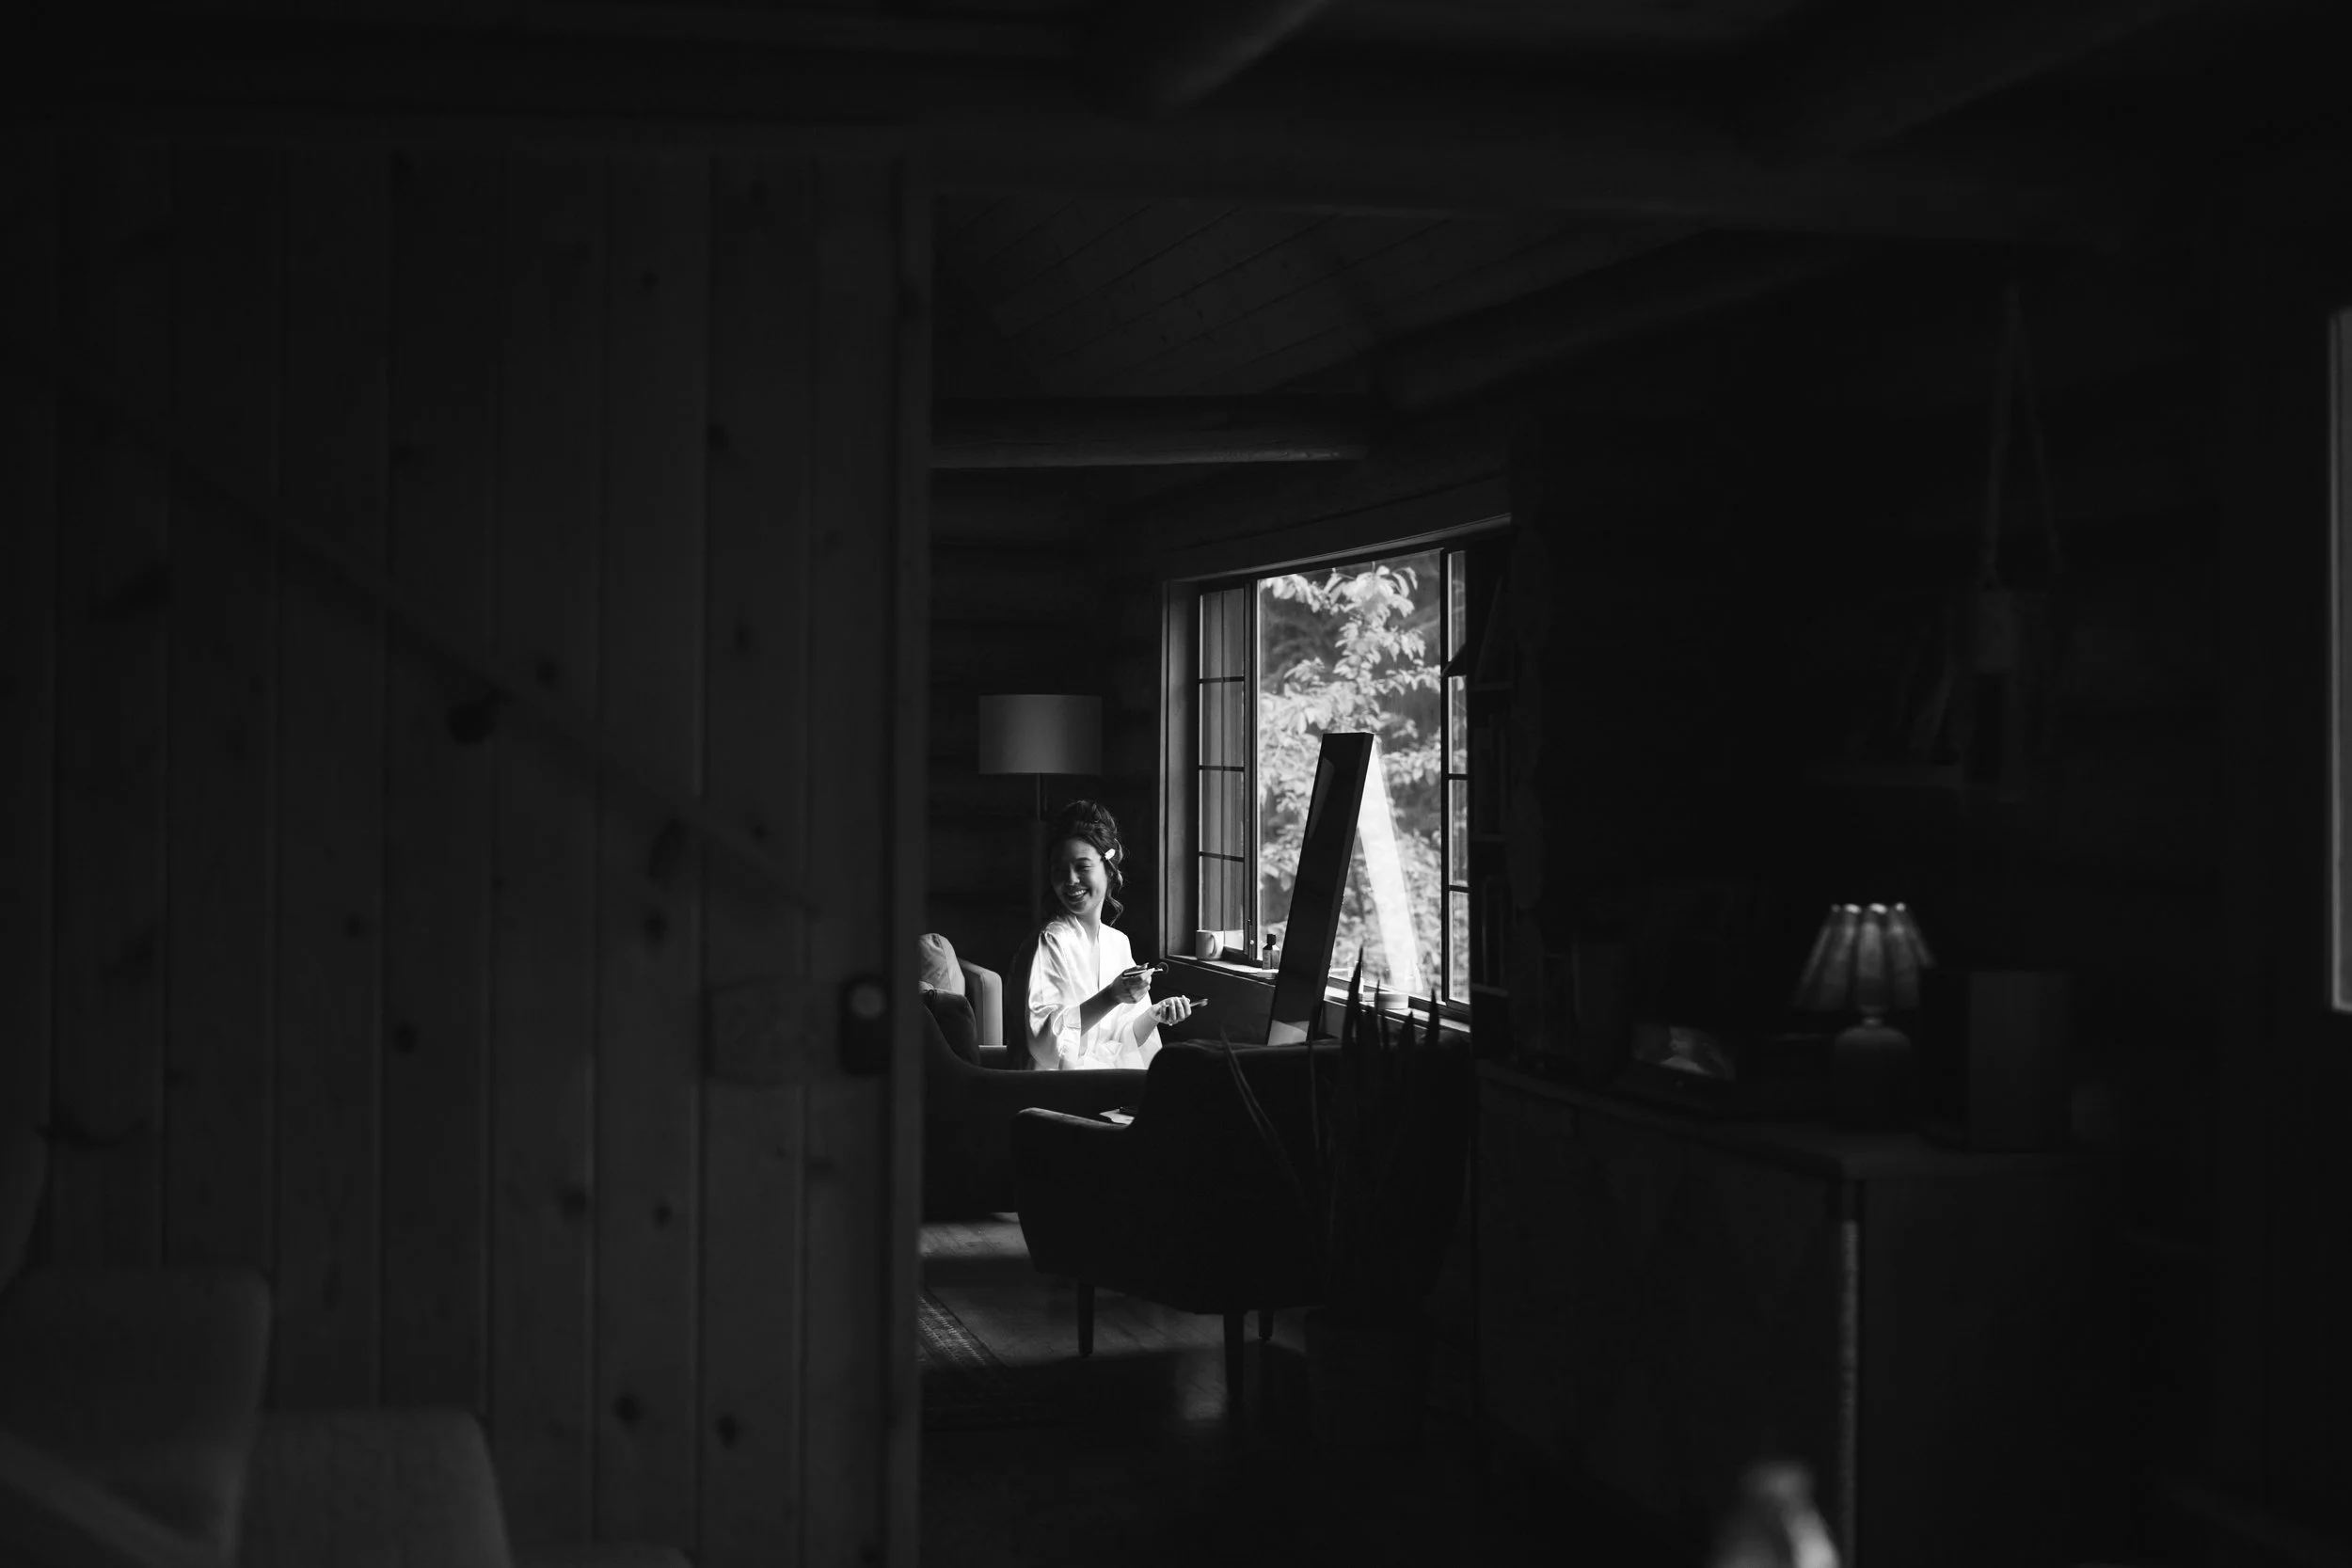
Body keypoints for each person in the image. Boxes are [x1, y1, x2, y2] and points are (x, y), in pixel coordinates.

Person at [1025, 800, 1194, 1070]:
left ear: (1108, 867)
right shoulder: (1051, 941)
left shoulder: (1118, 943)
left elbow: (1122, 1041)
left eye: (1082, 867)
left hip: (1103, 1086)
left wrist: (1154, 1015)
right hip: (1056, 1094)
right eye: (1060, 870)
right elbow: (1046, 1045)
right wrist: (1112, 996)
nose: (1070, 880)